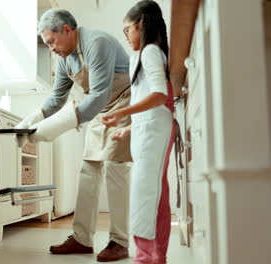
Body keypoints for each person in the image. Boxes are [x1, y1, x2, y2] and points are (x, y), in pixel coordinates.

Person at [16, 8, 132, 262]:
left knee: (115, 168)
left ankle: (120, 241)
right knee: (88, 170)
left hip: (123, 103)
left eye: (51, 42)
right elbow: (57, 97)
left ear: (67, 30)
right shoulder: (65, 56)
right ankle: (82, 239)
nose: (51, 49)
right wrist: (31, 121)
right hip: (101, 110)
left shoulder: (96, 43)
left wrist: (50, 129)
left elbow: (99, 94)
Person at [102, 1, 175, 263]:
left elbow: (159, 96)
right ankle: (155, 257)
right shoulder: (146, 55)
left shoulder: (150, 52)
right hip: (152, 128)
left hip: (155, 131)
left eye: (127, 29)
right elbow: (154, 102)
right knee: (155, 194)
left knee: (145, 194)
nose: (127, 35)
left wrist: (122, 113)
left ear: (140, 25)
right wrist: (129, 128)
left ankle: (145, 258)